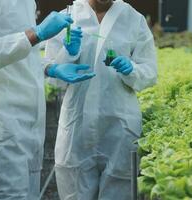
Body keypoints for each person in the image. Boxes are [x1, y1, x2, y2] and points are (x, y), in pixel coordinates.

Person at [0, 0, 95, 199]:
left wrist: (50, 67)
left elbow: (21, 54)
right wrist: (36, 33)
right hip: (2, 124)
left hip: (29, 126)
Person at [45, 0, 157, 199]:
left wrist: (133, 69)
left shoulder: (133, 19)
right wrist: (68, 54)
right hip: (77, 126)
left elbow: (150, 72)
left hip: (119, 127)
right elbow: (53, 79)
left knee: (119, 186)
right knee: (74, 188)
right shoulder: (68, 17)